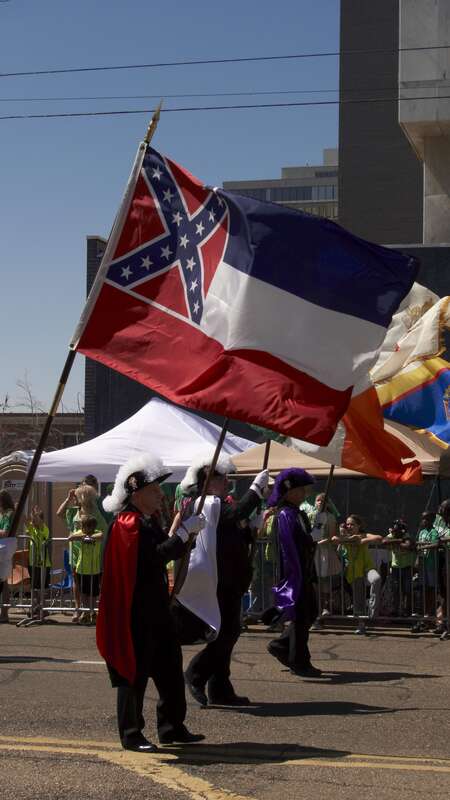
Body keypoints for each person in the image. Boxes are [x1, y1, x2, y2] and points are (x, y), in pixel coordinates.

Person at [97, 454, 206, 753]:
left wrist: (188, 535)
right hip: (136, 613)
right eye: (154, 490)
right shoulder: (128, 524)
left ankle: (172, 727)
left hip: (157, 609)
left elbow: (165, 551)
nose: (161, 495)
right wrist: (184, 532)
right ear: (137, 493)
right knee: (133, 675)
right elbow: (156, 555)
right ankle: (131, 734)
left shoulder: (147, 520)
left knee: (170, 670)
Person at [180, 455, 269, 707]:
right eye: (221, 477)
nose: (227, 482)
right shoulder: (204, 503)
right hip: (216, 579)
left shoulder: (217, 503)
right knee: (227, 632)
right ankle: (196, 673)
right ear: (208, 482)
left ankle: (220, 687)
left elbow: (232, 529)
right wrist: (255, 489)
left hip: (229, 577)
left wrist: (249, 528)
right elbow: (237, 511)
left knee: (226, 632)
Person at [265, 468, 322, 678]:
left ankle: (281, 645)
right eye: (300, 490)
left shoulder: (296, 513)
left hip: (303, 570)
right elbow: (291, 546)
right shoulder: (286, 515)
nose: (304, 494)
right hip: (294, 572)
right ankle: (300, 661)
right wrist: (311, 538)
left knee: (309, 613)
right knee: (301, 617)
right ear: (289, 491)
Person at [333, 514, 382, 635]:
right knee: (358, 600)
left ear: (358, 525)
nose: (349, 526)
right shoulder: (345, 538)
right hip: (354, 572)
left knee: (376, 579)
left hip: (367, 568)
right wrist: (345, 538)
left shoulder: (363, 535)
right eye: (348, 524)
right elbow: (336, 541)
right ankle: (361, 625)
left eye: (352, 524)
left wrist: (363, 540)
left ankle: (372, 608)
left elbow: (379, 538)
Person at [68, 515, 103, 624]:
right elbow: (71, 537)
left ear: (92, 527)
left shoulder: (97, 532)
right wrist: (83, 536)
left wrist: (89, 537)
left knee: (93, 593)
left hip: (94, 569)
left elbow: (101, 536)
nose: (83, 528)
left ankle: (92, 612)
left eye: (85, 527)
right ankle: (85, 612)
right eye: (83, 526)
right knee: (84, 593)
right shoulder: (80, 533)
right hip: (81, 569)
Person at [413, 511, 440, 632]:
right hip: (423, 565)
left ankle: (431, 617)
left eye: (426, 519)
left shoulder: (433, 532)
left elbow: (435, 544)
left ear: (432, 520)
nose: (423, 521)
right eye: (422, 519)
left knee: (431, 590)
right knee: (423, 589)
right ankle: (425, 618)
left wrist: (422, 547)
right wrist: (417, 559)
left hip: (431, 565)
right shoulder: (422, 532)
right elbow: (418, 546)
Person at [383, 519, 415, 616]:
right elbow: (384, 541)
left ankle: (406, 611)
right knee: (395, 589)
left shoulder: (406, 536)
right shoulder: (392, 535)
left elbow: (408, 545)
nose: (394, 531)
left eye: (397, 530)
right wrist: (399, 540)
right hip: (396, 567)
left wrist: (394, 542)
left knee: (407, 590)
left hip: (407, 566)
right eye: (394, 529)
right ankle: (395, 611)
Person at [25, 506, 52, 619]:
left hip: (43, 563)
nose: (33, 521)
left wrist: (36, 515)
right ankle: (35, 607)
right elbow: (25, 522)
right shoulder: (32, 529)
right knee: (34, 587)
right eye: (33, 518)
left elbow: (41, 527)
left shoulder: (44, 528)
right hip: (33, 563)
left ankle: (42, 608)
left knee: (42, 587)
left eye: (35, 518)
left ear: (41, 519)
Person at [0, 490, 16, 623]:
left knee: (4, 580)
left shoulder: (9, 513)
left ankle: (4, 613)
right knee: (4, 581)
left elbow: (5, 532)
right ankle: (3, 613)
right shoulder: (2, 514)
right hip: (3, 546)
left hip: (4, 547)